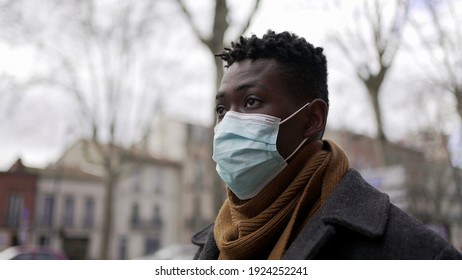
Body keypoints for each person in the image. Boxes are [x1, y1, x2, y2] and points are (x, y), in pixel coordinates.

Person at [192, 30, 462, 260]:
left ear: (312, 119)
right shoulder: (213, 245)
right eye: (221, 109)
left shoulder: (417, 255)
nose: (227, 123)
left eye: (251, 101)